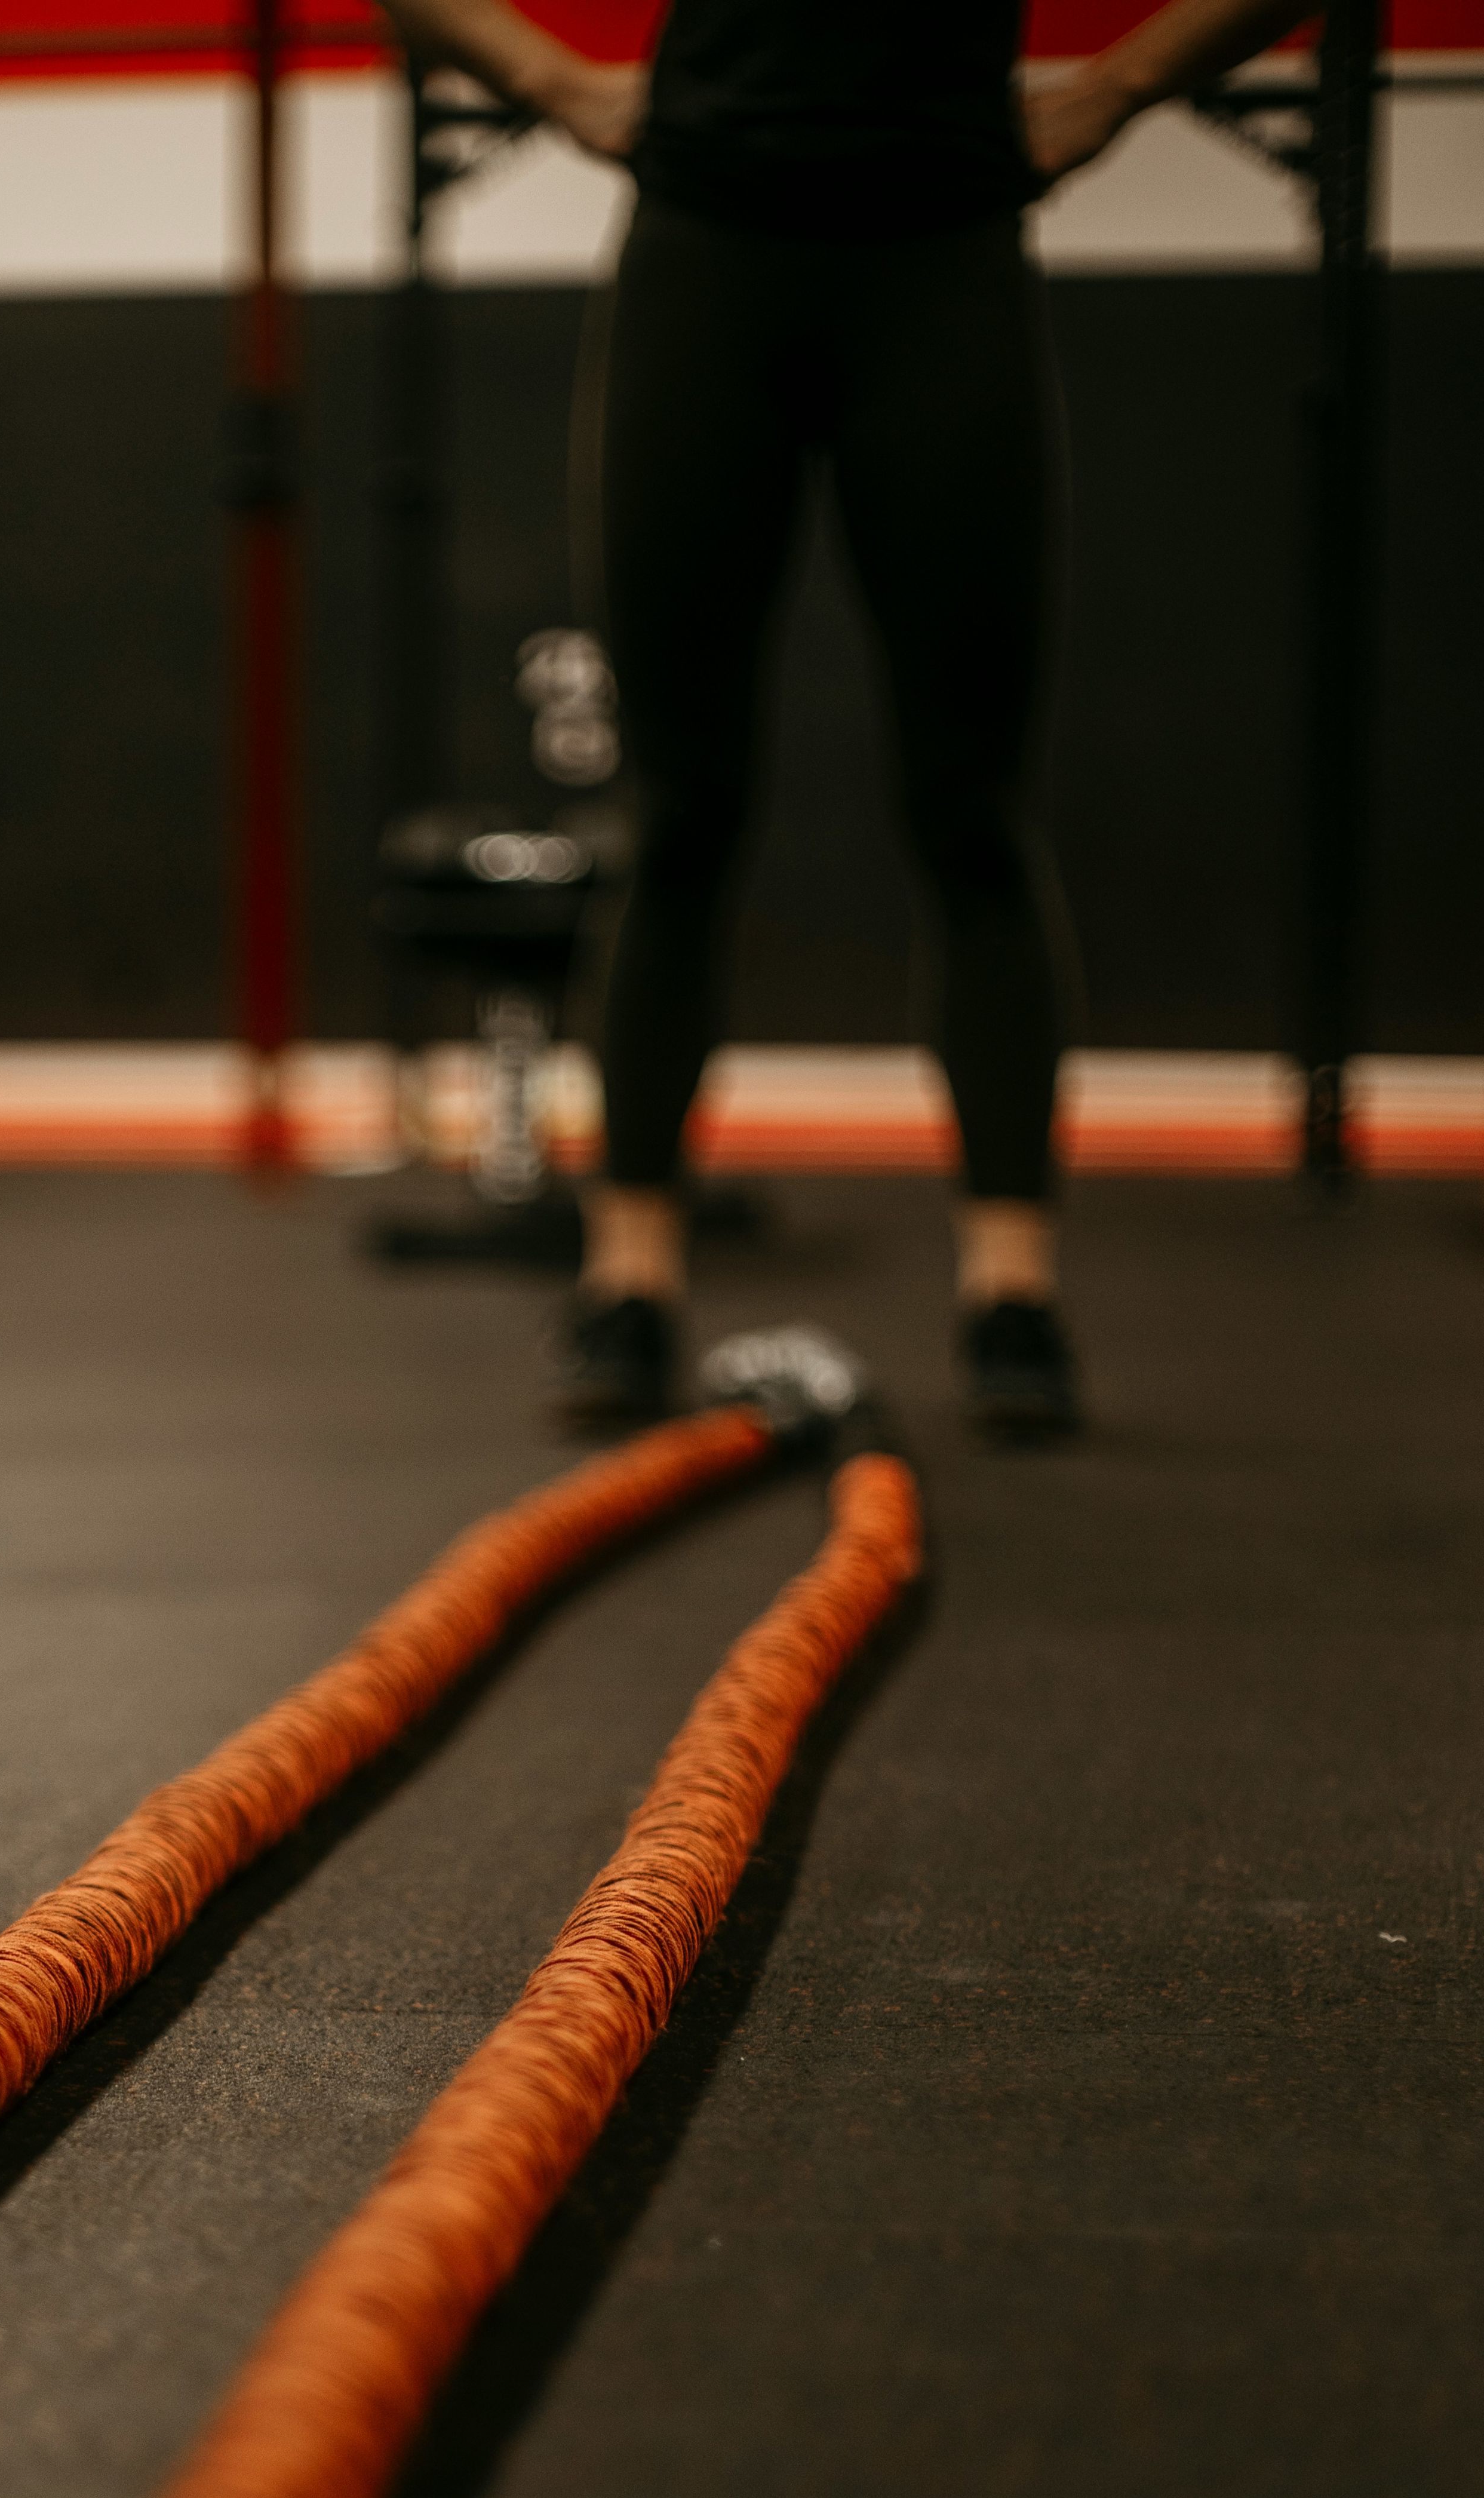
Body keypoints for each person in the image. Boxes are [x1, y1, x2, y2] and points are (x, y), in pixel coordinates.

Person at [376, 0, 1316, 1435]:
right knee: (680, 814)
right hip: (708, 250)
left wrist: (1117, 85)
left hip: (939, 255)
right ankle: (628, 1278)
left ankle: (1010, 1291)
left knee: (970, 813)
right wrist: (548, 78)